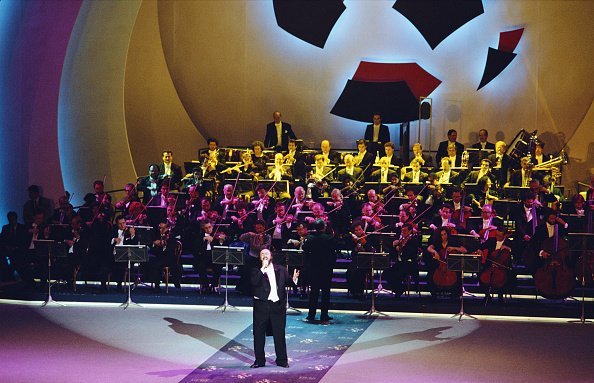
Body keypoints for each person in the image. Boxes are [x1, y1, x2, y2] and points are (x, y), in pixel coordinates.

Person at [250, 248, 298, 368]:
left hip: (277, 306)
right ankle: (259, 360)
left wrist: (294, 279)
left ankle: (282, 360)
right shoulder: (255, 270)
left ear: (271, 255)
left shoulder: (281, 269)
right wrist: (262, 269)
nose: (265, 255)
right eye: (262, 254)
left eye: (267, 253)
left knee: (279, 333)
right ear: (259, 257)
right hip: (261, 306)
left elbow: (288, 282)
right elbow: (254, 282)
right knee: (259, 334)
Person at [302, 219, 337, 322]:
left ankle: (311, 315)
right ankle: (324, 315)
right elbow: (335, 249)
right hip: (326, 269)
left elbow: (304, 248)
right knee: (325, 293)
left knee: (313, 292)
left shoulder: (310, 238)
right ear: (324, 227)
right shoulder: (329, 239)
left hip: (313, 268)